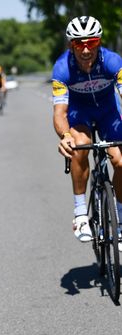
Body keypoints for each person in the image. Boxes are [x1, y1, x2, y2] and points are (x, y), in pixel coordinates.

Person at [52, 16, 122, 244]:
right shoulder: (62, 68)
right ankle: (81, 212)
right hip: (79, 113)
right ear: (70, 45)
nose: (85, 50)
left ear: (99, 42)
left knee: (120, 161)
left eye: (91, 43)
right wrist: (65, 136)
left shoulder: (113, 62)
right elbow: (60, 113)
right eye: (78, 43)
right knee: (79, 146)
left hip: (109, 112)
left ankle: (120, 215)